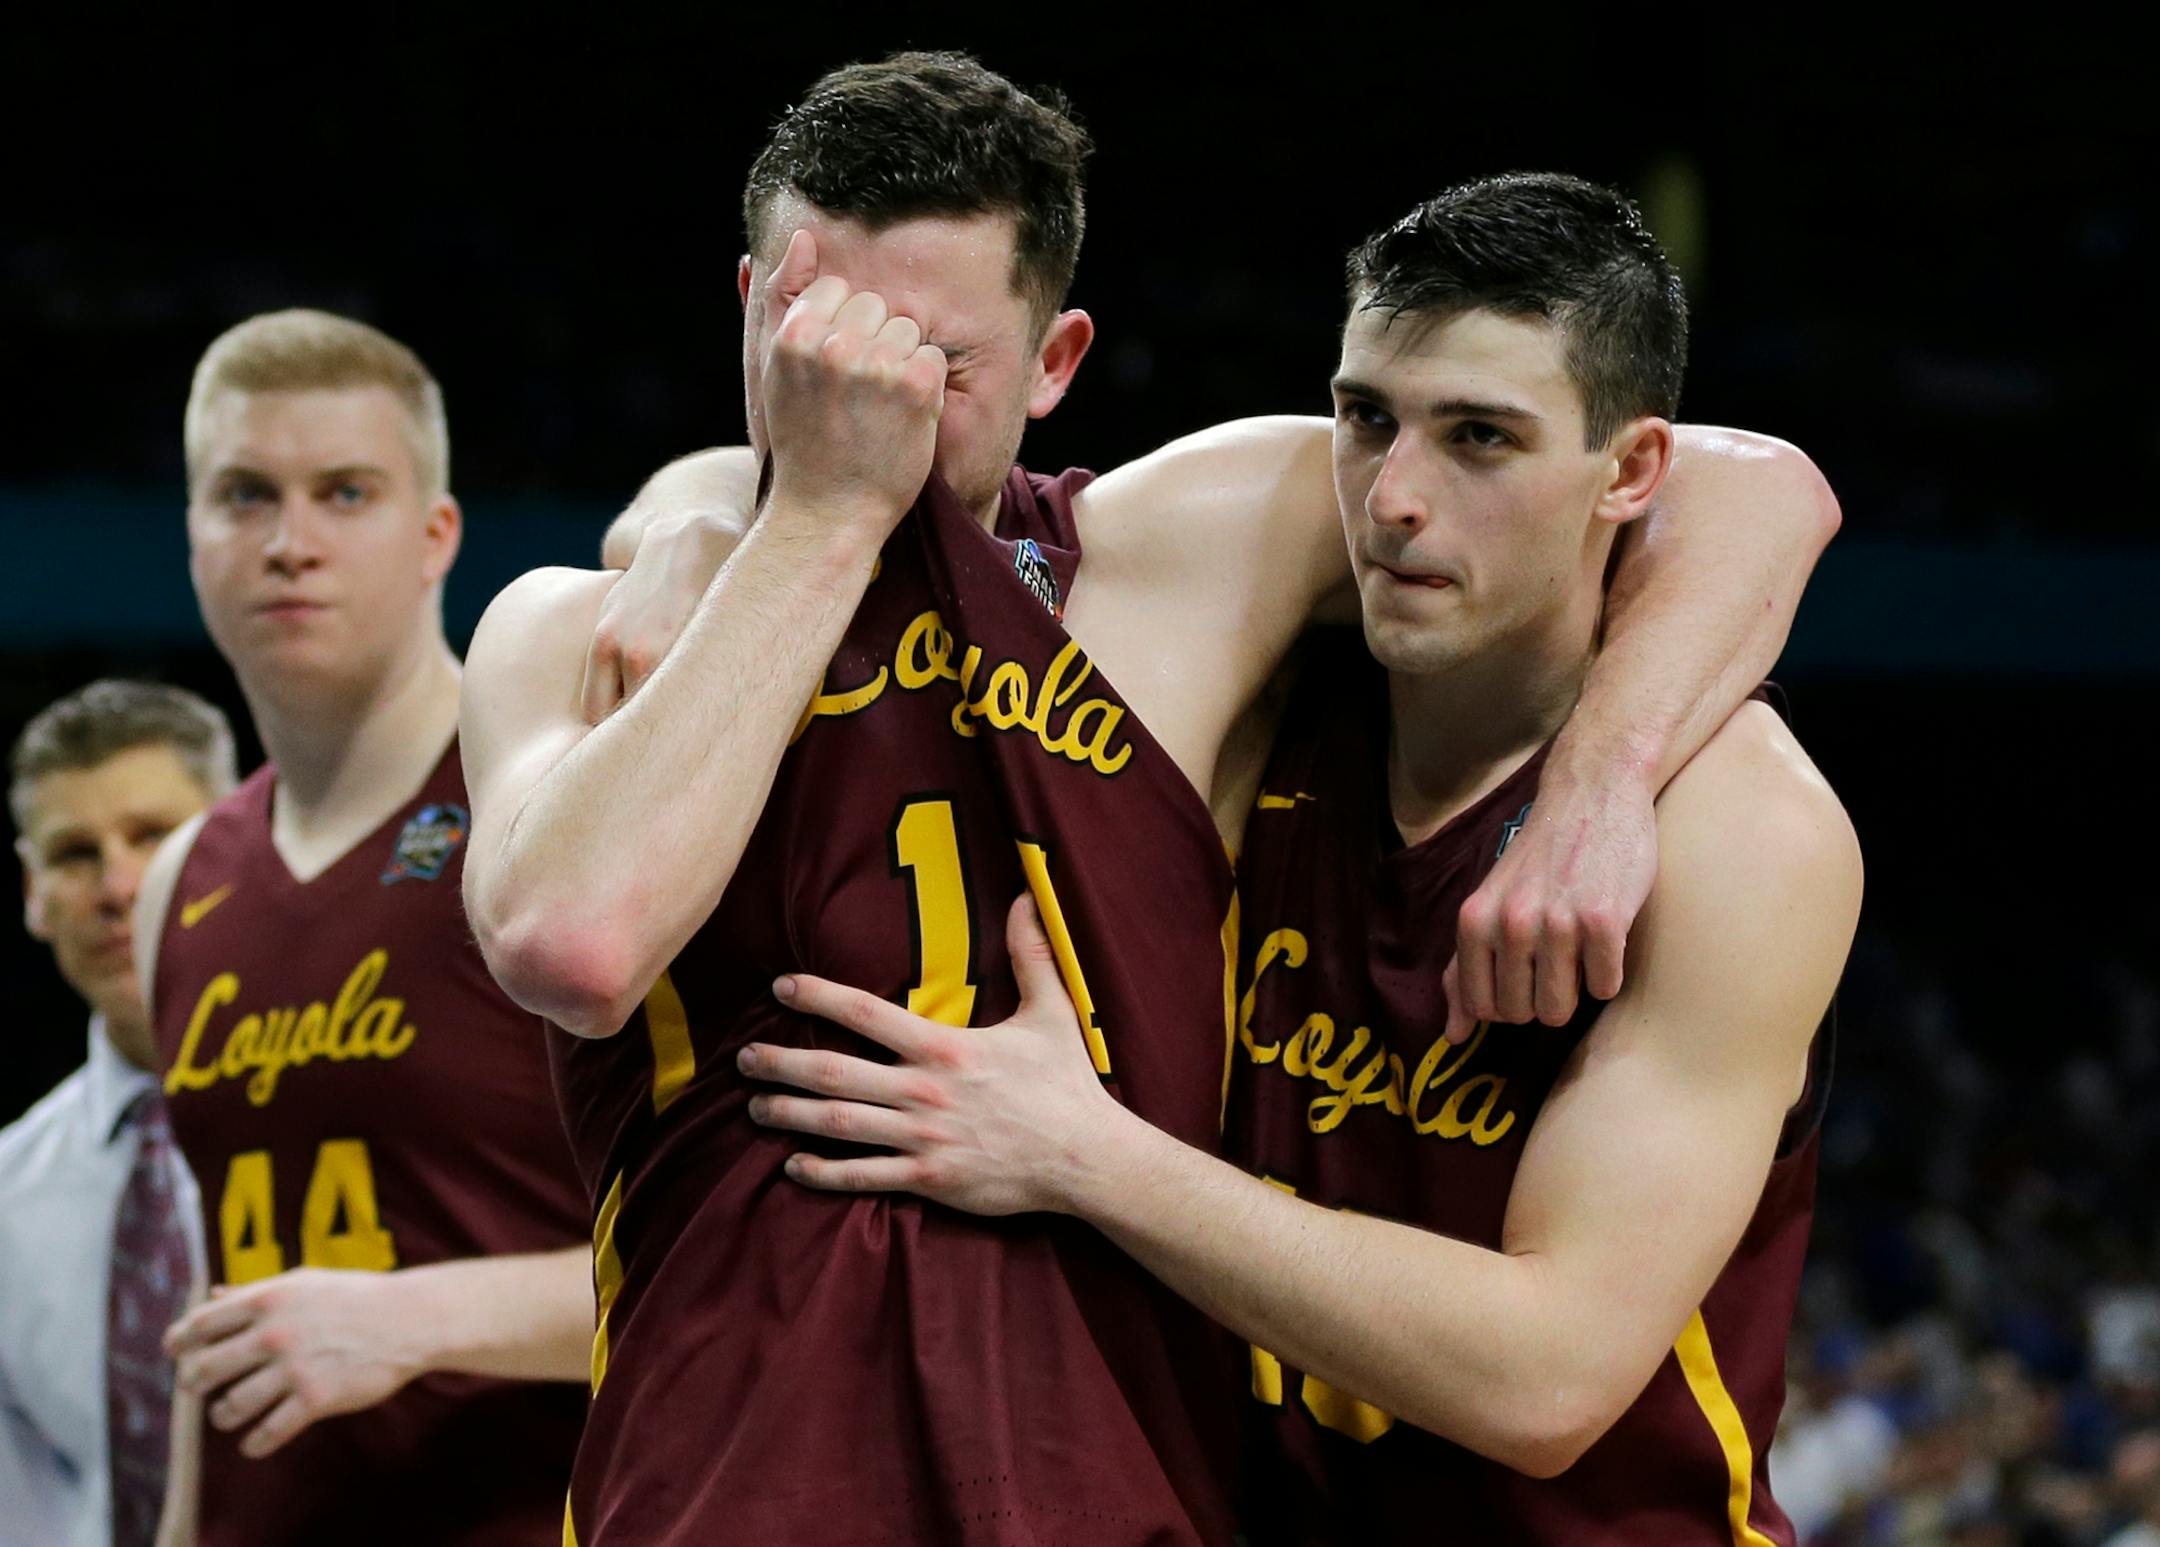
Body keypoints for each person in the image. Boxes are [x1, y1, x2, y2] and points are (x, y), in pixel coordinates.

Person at [464, 55, 1838, 1546]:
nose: (863, 389)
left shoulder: (1185, 553)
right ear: (746, 308)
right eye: (815, 337)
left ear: (1056, 362)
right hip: (726, 1491)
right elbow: (574, 944)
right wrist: (779, 511)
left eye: (926, 356)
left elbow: (1745, 484)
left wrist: (1603, 776)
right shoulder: (580, 625)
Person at [132, 310, 592, 1546]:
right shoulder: (182, 877)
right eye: (245, 495)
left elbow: (751, 1262)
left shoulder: (552, 800)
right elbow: (220, 1289)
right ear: (192, 536)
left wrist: (418, 1317)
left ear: (437, 531)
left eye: (344, 493)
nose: (291, 542)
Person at [1, 681, 233, 1547]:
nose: (118, 885)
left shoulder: (399, 1114)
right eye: (74, 853)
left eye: (152, 835)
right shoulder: (7, 1198)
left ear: (240, 841)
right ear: (33, 892)